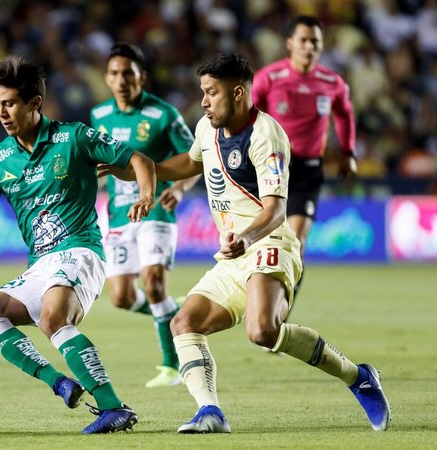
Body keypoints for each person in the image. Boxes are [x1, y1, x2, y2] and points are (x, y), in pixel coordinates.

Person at [99, 52, 390, 433]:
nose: (203, 102)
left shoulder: (266, 134)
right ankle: (210, 413)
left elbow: (276, 210)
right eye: (202, 92)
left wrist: (247, 237)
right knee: (184, 322)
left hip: (270, 241)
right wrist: (132, 168)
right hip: (235, 253)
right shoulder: (207, 128)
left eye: (211, 93)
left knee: (262, 331)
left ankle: (358, 376)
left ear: (237, 93)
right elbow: (187, 164)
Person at [0, 55, 157, 434]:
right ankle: (59, 383)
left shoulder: (74, 137)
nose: (2, 113)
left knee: (54, 316)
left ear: (34, 103)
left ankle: (113, 407)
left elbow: (139, 159)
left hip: (80, 251)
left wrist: (145, 193)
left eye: (9, 104)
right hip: (40, 264)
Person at [90, 43, 199, 388]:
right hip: (120, 215)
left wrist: (179, 189)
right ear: (106, 78)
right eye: (115, 74)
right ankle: (171, 310)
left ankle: (172, 366)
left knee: (152, 284)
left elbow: (197, 157)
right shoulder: (98, 116)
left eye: (128, 73)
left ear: (142, 77)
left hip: (156, 211)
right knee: (121, 296)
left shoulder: (163, 114)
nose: (121, 80)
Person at [252, 15, 357, 298]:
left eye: (315, 41)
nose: (309, 46)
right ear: (290, 43)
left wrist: (348, 152)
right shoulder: (269, 78)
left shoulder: (331, 81)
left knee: (295, 242)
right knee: (261, 241)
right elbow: (250, 118)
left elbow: (344, 115)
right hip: (271, 168)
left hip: (307, 171)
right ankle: (257, 302)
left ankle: (281, 309)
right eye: (303, 40)